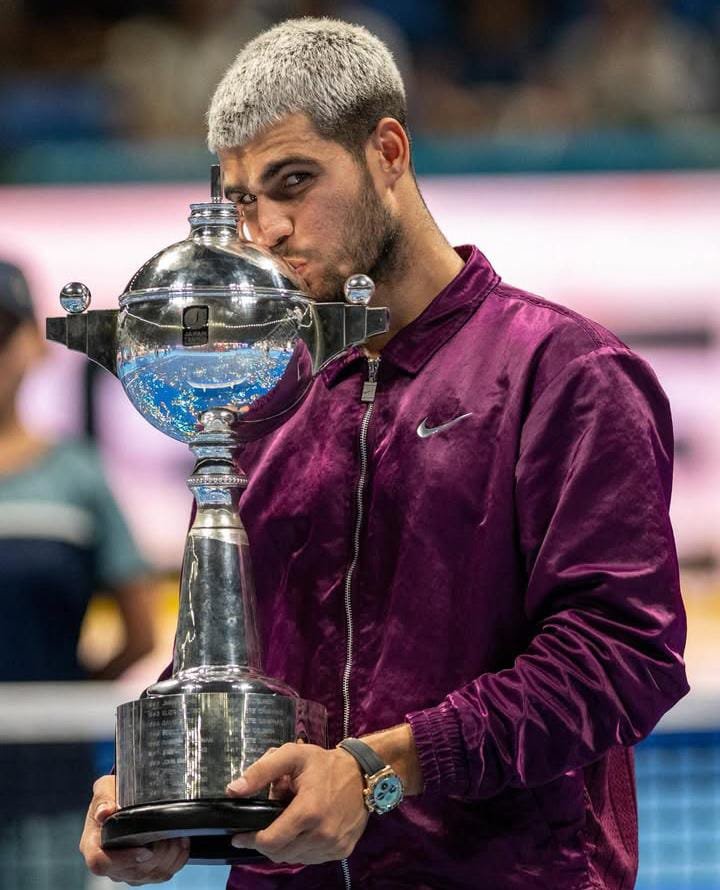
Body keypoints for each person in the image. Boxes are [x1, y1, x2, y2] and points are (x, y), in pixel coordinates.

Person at [80, 18, 688, 889]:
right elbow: (233, 657)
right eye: (246, 199)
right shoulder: (264, 403)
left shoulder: (563, 371)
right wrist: (162, 787)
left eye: (295, 182)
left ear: (388, 152)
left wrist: (378, 770)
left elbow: (623, 654)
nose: (271, 229)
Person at [0, 260, 155, 888]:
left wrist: (57, 698)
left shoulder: (78, 478)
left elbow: (141, 634)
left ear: (32, 348)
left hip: (48, 780)